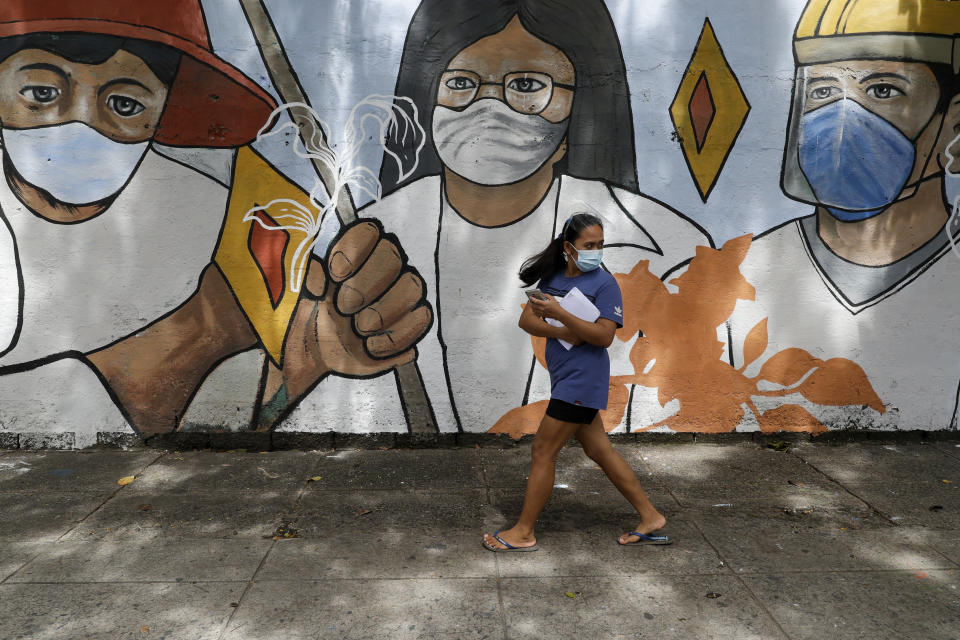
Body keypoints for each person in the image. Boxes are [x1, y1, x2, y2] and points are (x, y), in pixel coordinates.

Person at [0, 1, 431, 445]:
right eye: (41, 94)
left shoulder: (220, 207)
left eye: (124, 104)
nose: (82, 123)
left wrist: (305, 358)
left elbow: (248, 382)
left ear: (165, 109)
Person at [294, 0, 710, 435]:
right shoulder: (368, 246)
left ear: (583, 107)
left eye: (527, 84)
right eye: (460, 82)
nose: (489, 107)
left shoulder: (669, 248)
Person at [722, 0, 960, 432]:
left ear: (955, 125)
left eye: (883, 90)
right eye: (823, 92)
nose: (843, 120)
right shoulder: (729, 283)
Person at [482, 213, 670, 551]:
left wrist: (562, 315)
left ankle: (524, 531)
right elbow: (528, 319)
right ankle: (650, 515)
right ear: (569, 248)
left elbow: (603, 337)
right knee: (599, 449)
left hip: (581, 382)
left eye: (600, 245)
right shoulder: (554, 278)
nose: (596, 251)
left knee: (542, 450)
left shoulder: (604, 283)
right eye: (589, 245)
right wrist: (564, 330)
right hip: (565, 378)